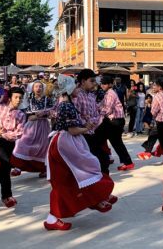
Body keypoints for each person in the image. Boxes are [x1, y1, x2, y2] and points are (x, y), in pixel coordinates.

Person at [44, 75, 116, 231]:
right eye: (75, 87)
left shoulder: (65, 104)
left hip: (64, 143)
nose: (78, 89)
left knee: (70, 179)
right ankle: (96, 198)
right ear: (69, 89)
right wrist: (87, 128)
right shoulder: (66, 105)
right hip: (65, 144)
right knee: (86, 169)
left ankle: (94, 199)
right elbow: (72, 129)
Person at [11, 80, 54, 176]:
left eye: (40, 87)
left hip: (43, 126)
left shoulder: (47, 99)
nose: (38, 88)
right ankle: (18, 167)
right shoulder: (29, 100)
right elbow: (29, 116)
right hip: (31, 126)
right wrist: (40, 115)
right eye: (36, 87)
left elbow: (51, 113)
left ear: (43, 88)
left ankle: (43, 169)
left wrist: (44, 114)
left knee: (42, 147)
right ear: (32, 89)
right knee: (22, 143)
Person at [74, 69, 109, 173]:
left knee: (103, 159)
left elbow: (95, 113)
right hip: (80, 134)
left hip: (92, 132)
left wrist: (94, 121)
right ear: (83, 81)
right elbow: (74, 114)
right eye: (92, 81)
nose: (94, 84)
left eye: (95, 81)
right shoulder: (76, 95)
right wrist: (85, 123)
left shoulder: (92, 95)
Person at [99, 75, 134, 171]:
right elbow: (101, 104)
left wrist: (97, 115)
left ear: (110, 84)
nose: (102, 85)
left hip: (115, 121)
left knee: (113, 142)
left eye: (105, 83)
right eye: (102, 83)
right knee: (116, 143)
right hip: (114, 121)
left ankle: (124, 162)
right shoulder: (108, 93)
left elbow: (107, 109)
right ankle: (127, 162)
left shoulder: (110, 93)